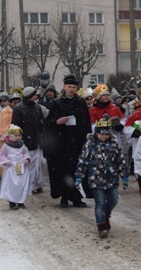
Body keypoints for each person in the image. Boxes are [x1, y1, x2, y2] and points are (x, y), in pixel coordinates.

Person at [75, 115, 130, 238]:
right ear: (97, 133)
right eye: (101, 134)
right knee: (100, 202)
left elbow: (120, 161)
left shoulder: (114, 144)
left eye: (106, 134)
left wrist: (124, 177)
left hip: (112, 178)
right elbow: (83, 161)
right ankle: (101, 225)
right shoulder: (90, 144)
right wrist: (79, 176)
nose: (104, 136)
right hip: (96, 179)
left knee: (114, 199)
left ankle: (106, 215)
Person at [45, 75, 92, 208]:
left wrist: (85, 137)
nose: (71, 89)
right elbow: (49, 122)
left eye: (73, 87)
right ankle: (64, 196)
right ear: (64, 87)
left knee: (77, 169)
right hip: (62, 142)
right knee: (64, 170)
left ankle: (77, 197)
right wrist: (57, 122)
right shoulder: (57, 103)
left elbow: (86, 121)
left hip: (77, 141)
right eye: (69, 87)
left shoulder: (80, 102)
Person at [11, 87, 45, 195]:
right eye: (34, 95)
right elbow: (15, 126)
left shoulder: (37, 107)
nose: (36, 96)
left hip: (37, 141)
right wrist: (18, 140)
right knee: (28, 165)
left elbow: (41, 123)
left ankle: (37, 184)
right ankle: (28, 186)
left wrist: (42, 137)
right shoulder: (19, 108)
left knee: (39, 165)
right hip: (26, 142)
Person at [0, 124, 31, 209]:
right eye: (15, 135)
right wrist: (7, 162)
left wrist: (26, 159)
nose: (17, 137)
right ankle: (12, 202)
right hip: (11, 168)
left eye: (19, 135)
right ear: (11, 136)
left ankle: (20, 201)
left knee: (21, 184)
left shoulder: (22, 145)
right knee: (11, 185)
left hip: (21, 167)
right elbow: (2, 155)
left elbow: (25, 153)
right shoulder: (6, 145)